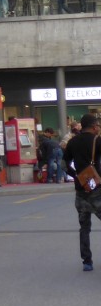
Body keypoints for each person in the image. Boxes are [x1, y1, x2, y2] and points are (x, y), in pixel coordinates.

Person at [64, 113, 101, 271]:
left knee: (84, 227)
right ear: (93, 126)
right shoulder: (97, 140)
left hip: (81, 190)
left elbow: (63, 163)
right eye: (98, 125)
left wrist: (76, 176)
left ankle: (87, 261)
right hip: (97, 190)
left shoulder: (72, 141)